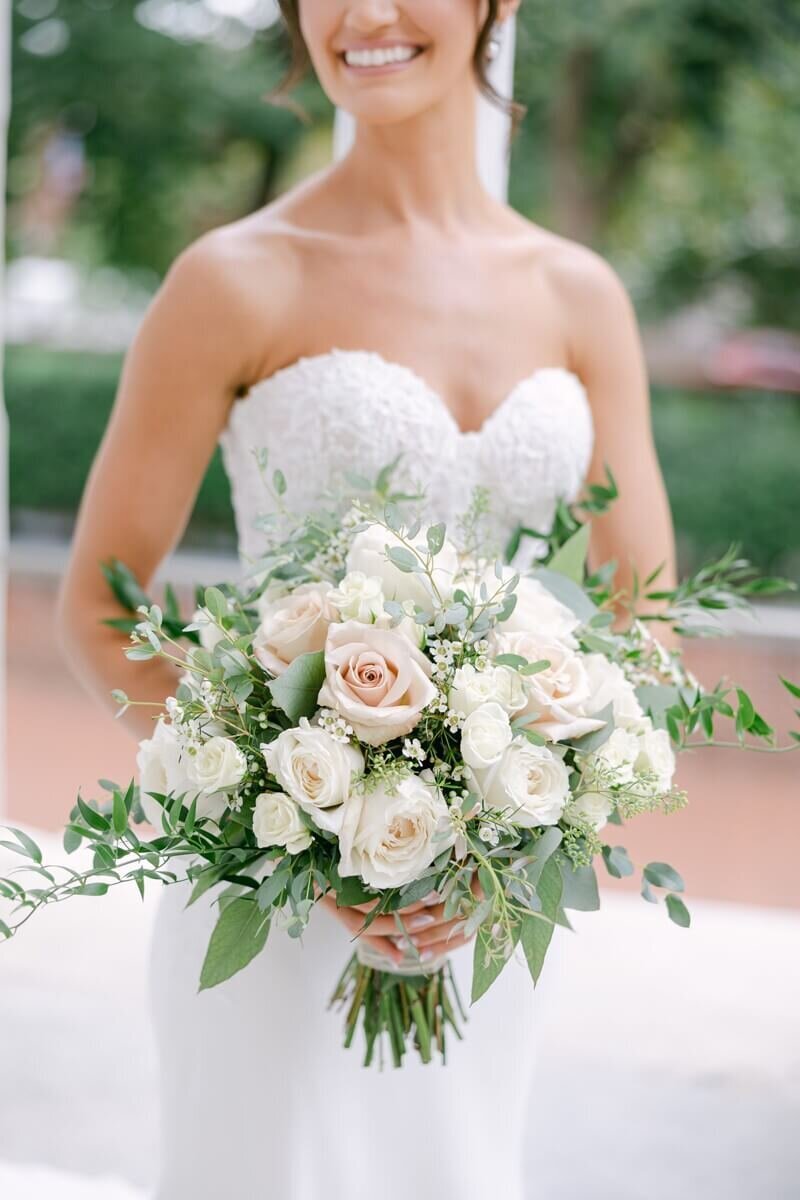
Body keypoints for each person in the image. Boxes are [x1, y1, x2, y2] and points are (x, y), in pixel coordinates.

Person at [58, 2, 678, 1196]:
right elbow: (96, 603)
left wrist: (523, 814)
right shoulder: (233, 279)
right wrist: (289, 824)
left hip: (479, 916)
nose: (366, 14)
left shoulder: (577, 293)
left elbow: (645, 616)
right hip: (270, 893)